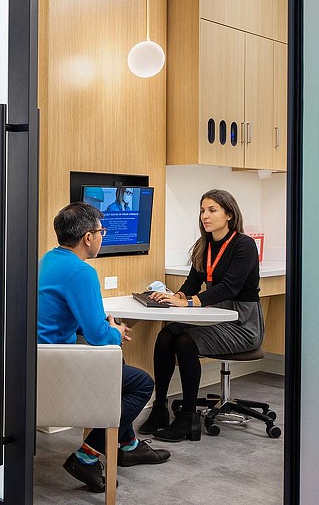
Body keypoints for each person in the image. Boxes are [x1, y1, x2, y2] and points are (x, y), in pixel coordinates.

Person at [39, 202, 170, 493]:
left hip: (41, 359)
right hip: (58, 366)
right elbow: (98, 337)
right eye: (102, 231)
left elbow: (72, 318)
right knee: (141, 384)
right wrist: (116, 331)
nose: (103, 236)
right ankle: (86, 456)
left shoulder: (50, 259)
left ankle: (129, 444)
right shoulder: (81, 272)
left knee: (117, 366)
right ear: (88, 237)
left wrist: (104, 328)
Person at [138, 189, 262, 442]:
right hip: (215, 316)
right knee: (165, 335)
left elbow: (230, 287)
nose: (205, 216)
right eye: (203, 210)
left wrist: (189, 303)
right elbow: (192, 283)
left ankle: (188, 417)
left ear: (229, 214)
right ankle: (159, 407)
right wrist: (176, 297)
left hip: (241, 323)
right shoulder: (203, 246)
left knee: (185, 341)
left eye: (212, 210)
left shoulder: (244, 245)